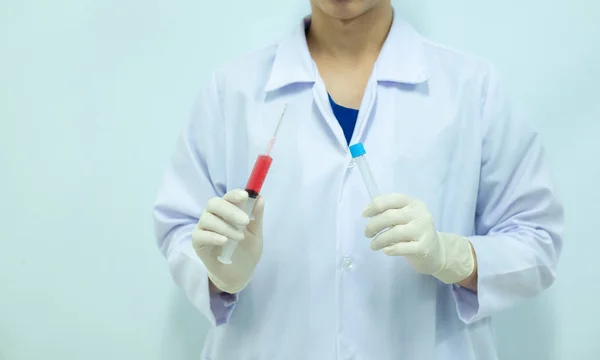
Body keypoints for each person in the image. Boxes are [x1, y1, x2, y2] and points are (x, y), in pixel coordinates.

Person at [153, 0, 564, 359]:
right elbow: (178, 225)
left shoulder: (472, 87)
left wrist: (452, 256)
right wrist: (220, 274)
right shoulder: (233, 90)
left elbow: (537, 241)